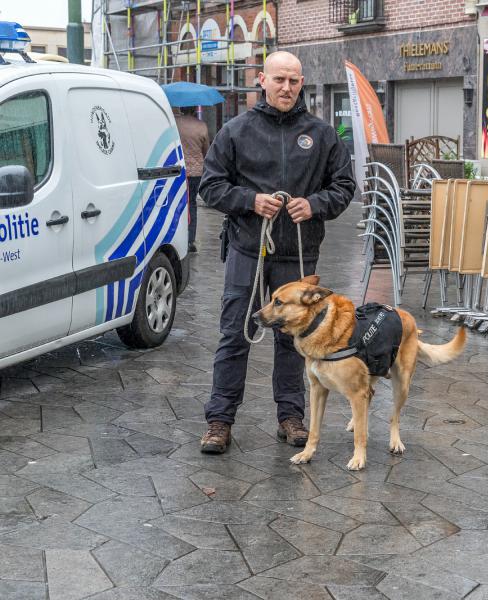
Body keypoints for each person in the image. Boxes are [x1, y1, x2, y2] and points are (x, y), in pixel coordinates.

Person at [199, 51, 355, 454]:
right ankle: (219, 421)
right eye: (279, 79)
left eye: (294, 80)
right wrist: (250, 201)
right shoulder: (235, 131)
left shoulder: (321, 135)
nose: (286, 87)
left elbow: (344, 187)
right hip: (248, 251)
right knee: (235, 334)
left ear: (302, 83)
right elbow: (210, 186)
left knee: (294, 342)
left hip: (297, 255)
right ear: (262, 81)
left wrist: (314, 205)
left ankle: (291, 417)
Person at [174, 106, 210, 253]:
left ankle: (177, 238)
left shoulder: (175, 123)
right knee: (192, 204)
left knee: (177, 205)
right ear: (194, 110)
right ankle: (190, 240)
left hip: (178, 170)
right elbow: (207, 150)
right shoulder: (201, 126)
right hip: (196, 173)